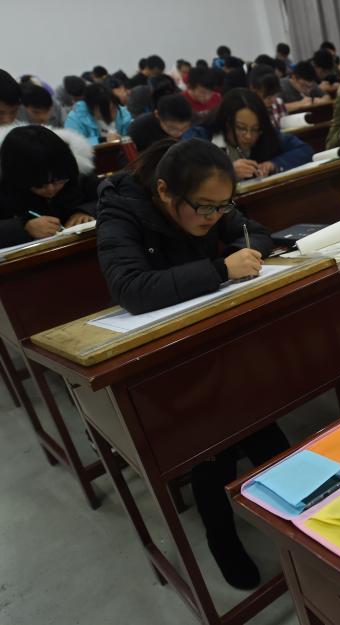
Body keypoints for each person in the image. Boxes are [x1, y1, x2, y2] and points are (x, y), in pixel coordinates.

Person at [95, 137, 287, 587]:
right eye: (205, 209)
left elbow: (255, 234)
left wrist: (238, 250)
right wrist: (221, 269)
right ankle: (221, 532)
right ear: (164, 191)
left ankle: (293, 505)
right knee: (213, 442)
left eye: (223, 206)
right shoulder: (121, 209)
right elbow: (132, 289)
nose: (215, 217)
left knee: (256, 409)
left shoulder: (212, 201)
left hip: (220, 341)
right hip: (163, 360)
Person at [183, 88, 313, 180]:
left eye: (255, 129)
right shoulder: (199, 136)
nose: (249, 136)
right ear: (226, 122)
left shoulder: (265, 134)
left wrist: (274, 164)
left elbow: (305, 150)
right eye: (241, 128)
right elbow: (184, 170)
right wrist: (226, 172)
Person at [0, 125, 98, 246]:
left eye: (59, 180)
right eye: (39, 185)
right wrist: (23, 227)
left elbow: (110, 198)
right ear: (17, 178)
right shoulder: (5, 186)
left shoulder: (80, 175)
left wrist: (85, 211)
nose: (51, 189)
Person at [64, 83, 131, 144]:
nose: (112, 115)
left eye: (113, 109)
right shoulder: (75, 119)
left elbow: (130, 134)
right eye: (105, 111)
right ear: (91, 108)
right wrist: (103, 140)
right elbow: (74, 144)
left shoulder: (121, 112)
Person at [128, 93, 193, 151]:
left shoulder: (197, 122)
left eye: (185, 128)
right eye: (172, 128)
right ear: (157, 115)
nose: (179, 134)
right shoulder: (140, 127)